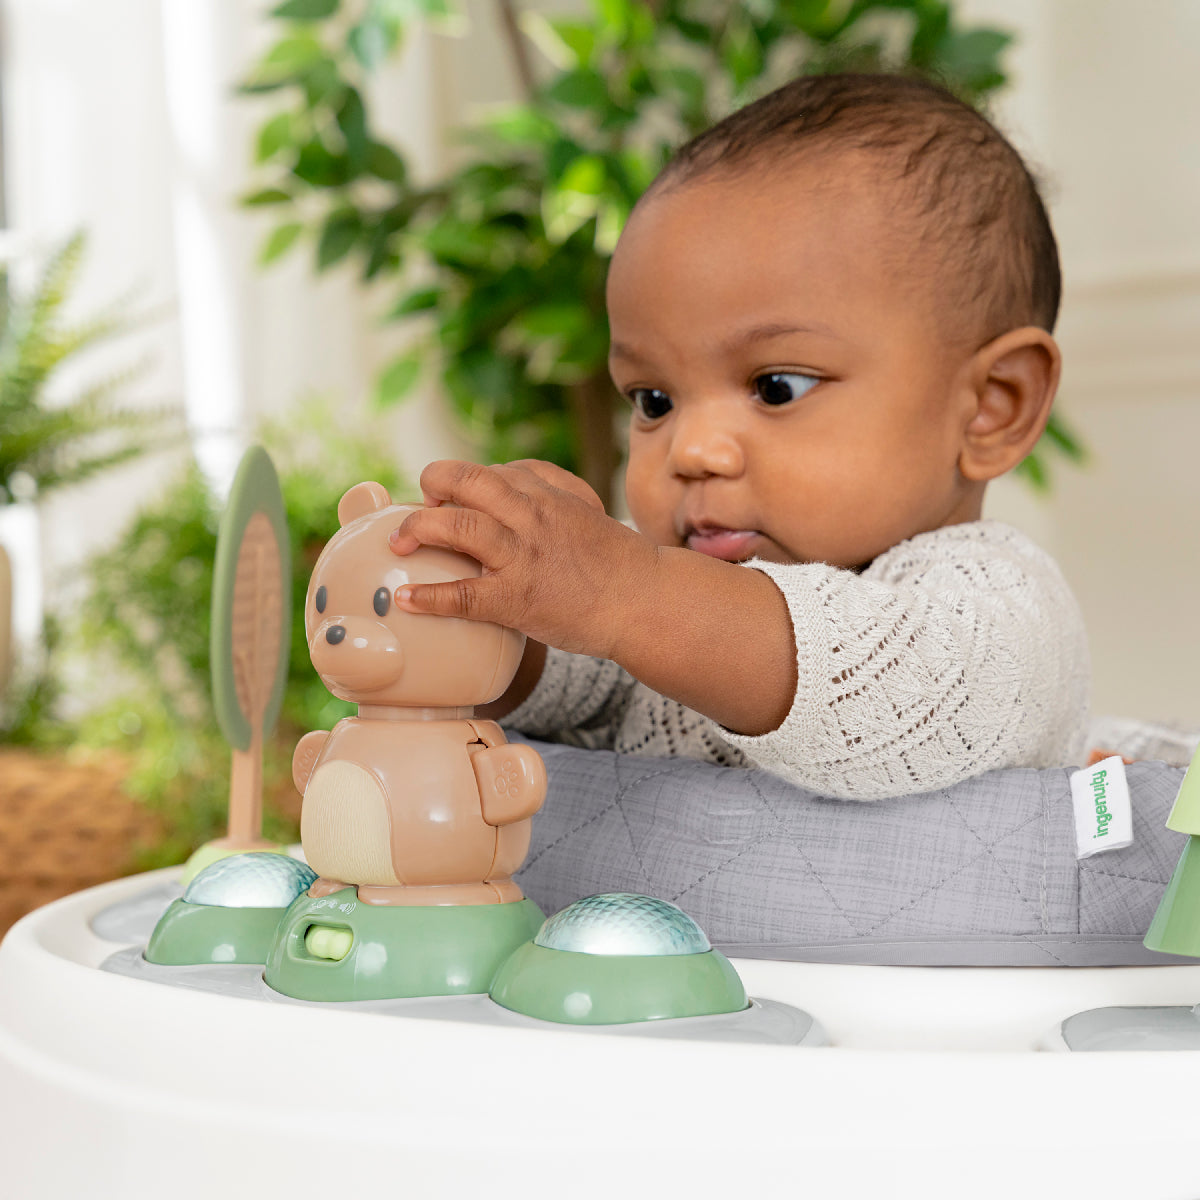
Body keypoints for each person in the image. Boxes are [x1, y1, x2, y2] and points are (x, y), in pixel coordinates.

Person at [386, 72, 1090, 800]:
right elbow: (585, 692)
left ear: (991, 407)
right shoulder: (668, 603)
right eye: (654, 401)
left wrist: (620, 590)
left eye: (776, 386)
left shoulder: (1000, 604)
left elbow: (889, 692)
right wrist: (490, 616)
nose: (691, 451)